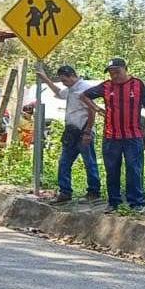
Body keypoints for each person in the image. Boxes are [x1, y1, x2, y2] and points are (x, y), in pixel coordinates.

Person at [80, 58, 145, 214]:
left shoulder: (137, 84)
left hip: (133, 135)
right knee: (112, 170)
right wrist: (96, 108)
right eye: (111, 72)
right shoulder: (106, 86)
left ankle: (136, 203)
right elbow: (84, 96)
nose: (114, 75)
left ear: (125, 69)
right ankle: (114, 202)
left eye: (117, 72)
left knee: (134, 169)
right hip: (111, 136)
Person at [36, 63, 101, 203]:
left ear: (72, 76)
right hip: (71, 131)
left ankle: (94, 192)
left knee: (89, 162)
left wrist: (88, 132)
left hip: (83, 130)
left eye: (65, 80)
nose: (64, 83)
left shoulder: (84, 89)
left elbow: (92, 111)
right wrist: (45, 79)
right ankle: (65, 192)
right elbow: (60, 93)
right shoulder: (71, 89)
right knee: (64, 163)